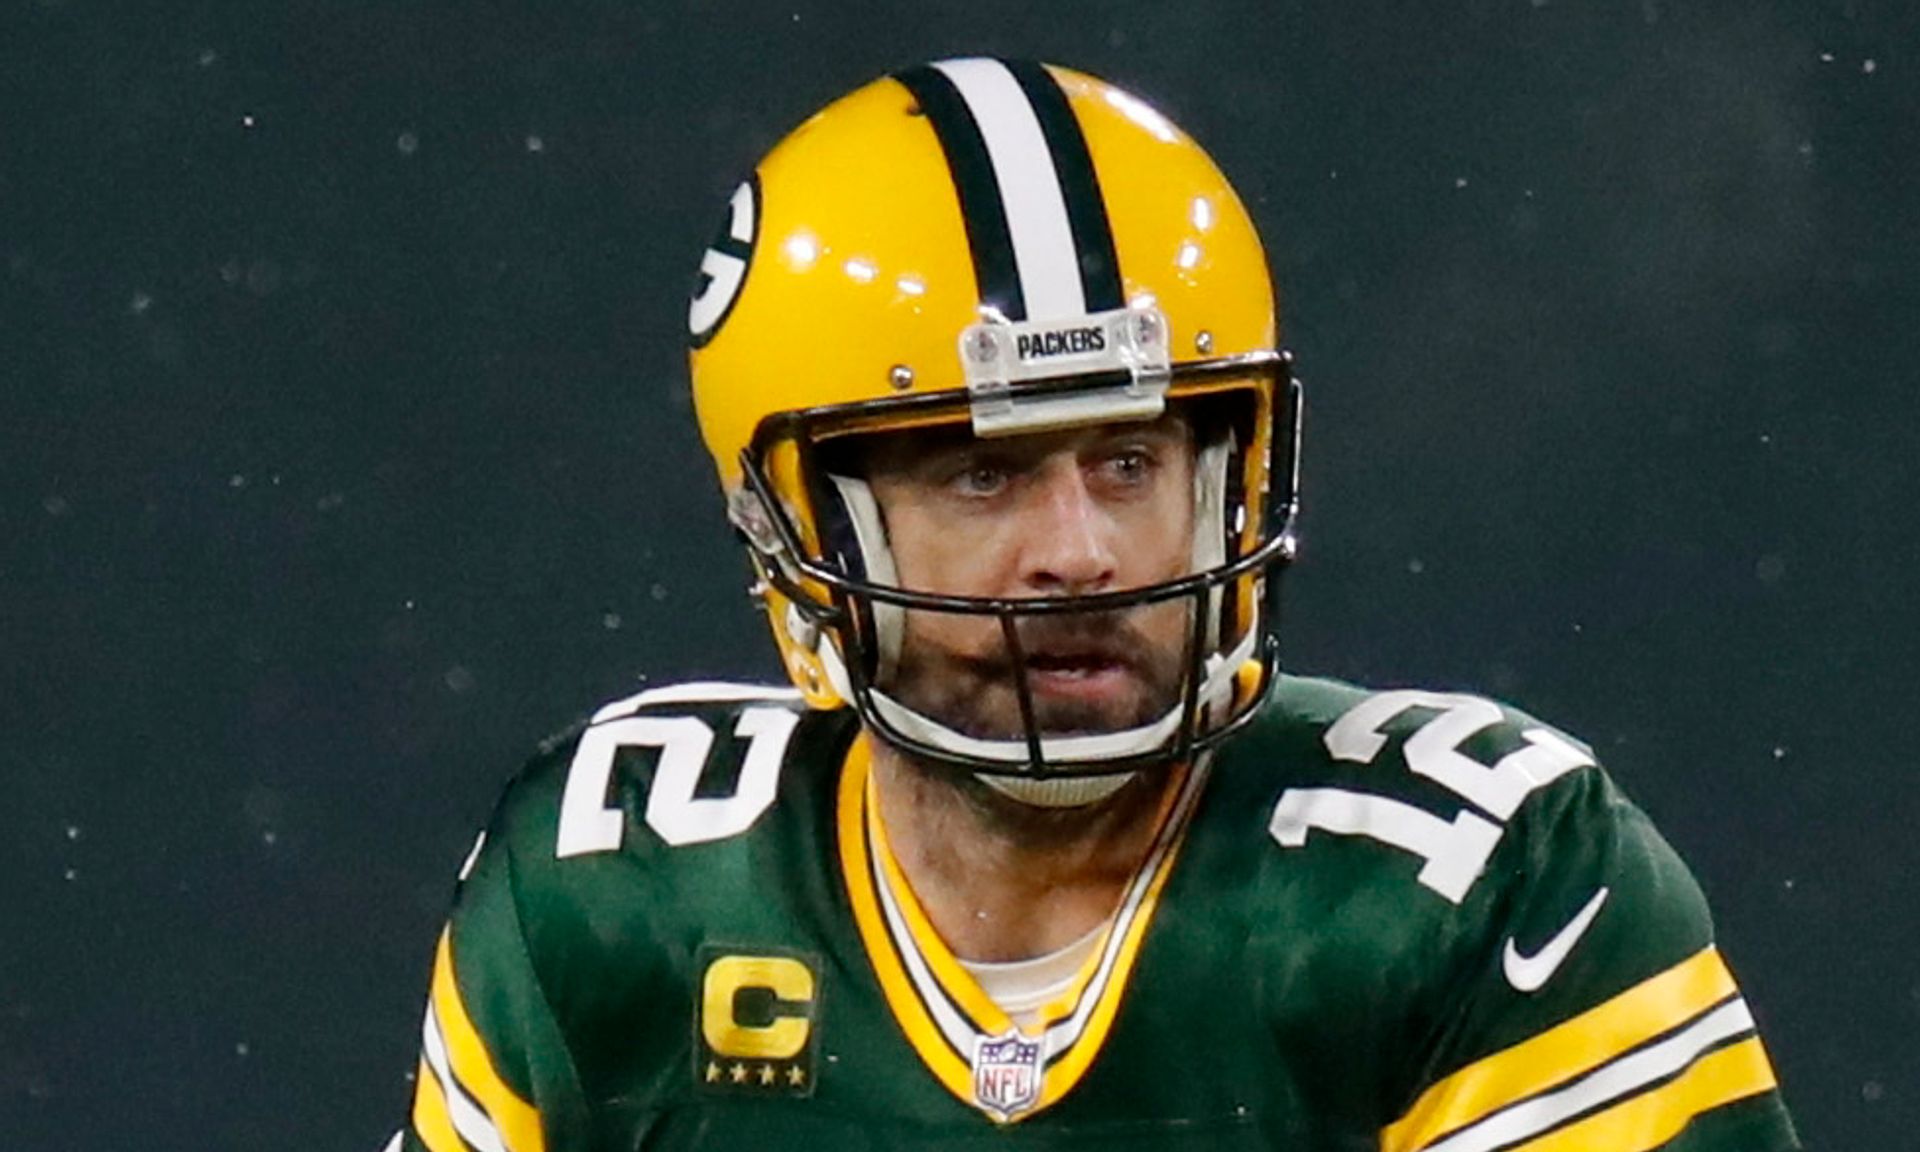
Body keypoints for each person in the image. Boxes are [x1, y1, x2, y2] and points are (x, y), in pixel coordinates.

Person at [389, 58, 1801, 1150]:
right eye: (980, 477)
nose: (1080, 550)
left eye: (1129, 460)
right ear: (800, 525)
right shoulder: (614, 891)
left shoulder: (1485, 887)